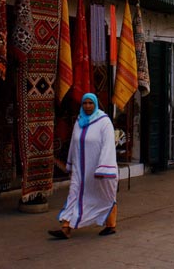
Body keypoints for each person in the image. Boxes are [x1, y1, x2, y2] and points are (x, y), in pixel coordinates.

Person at [49, 93, 118, 239]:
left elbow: (108, 146)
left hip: (97, 170)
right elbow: (74, 144)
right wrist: (70, 164)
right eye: (84, 103)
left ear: (96, 104)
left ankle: (110, 225)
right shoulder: (79, 121)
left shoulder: (104, 122)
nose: (87, 106)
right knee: (73, 195)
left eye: (90, 103)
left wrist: (104, 168)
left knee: (104, 196)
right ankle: (66, 227)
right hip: (79, 170)